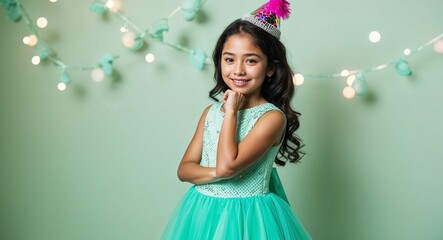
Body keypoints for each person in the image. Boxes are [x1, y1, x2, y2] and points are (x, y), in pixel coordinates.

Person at [161, 0, 311, 239]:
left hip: (249, 217)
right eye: (229, 59)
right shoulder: (210, 113)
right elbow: (184, 170)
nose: (238, 70)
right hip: (202, 210)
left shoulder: (272, 118)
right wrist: (217, 174)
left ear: (270, 68)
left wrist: (231, 112)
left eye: (251, 60)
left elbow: (228, 166)